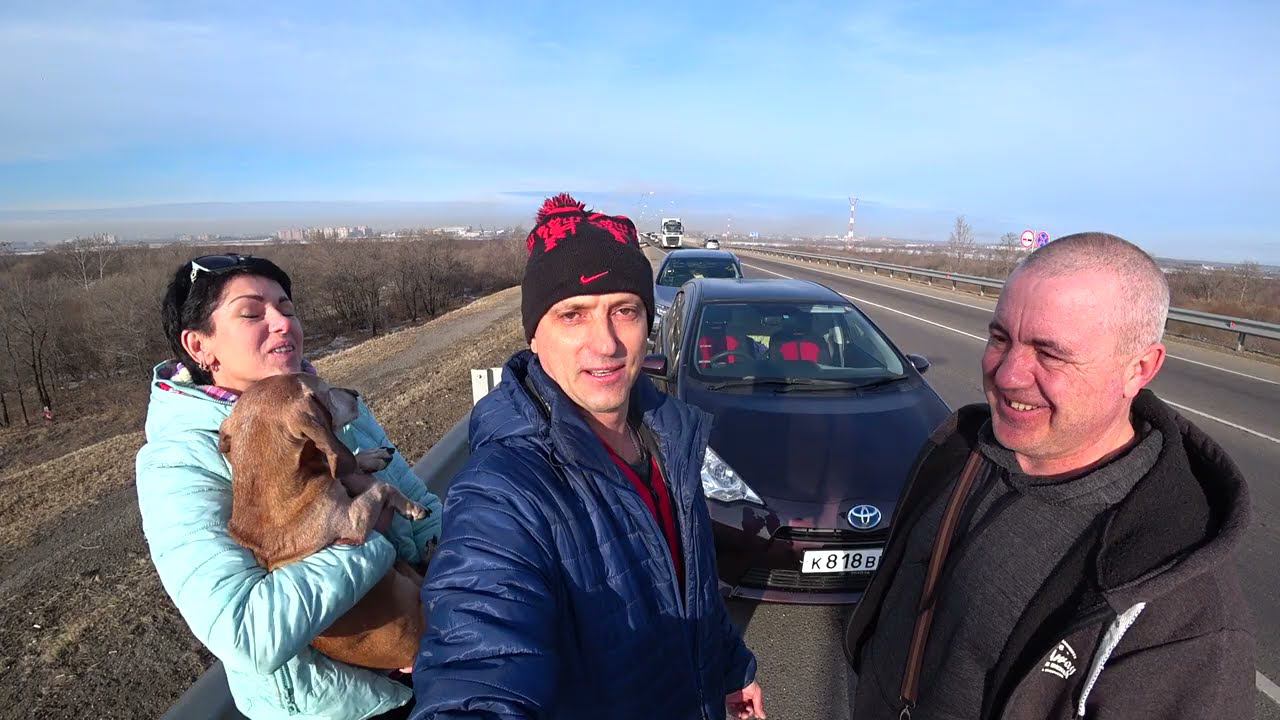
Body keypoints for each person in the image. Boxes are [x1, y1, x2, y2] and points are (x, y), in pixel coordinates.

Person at [844, 232, 1254, 719]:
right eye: (1000, 338)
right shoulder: (958, 450)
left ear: (1140, 368)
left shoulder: (1183, 607)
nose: (1008, 375)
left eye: (1050, 354)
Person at [411, 195, 763, 720]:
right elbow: (477, 669)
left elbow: (691, 588)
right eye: (573, 315)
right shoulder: (503, 493)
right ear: (534, 336)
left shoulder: (668, 438)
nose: (606, 344)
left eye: (624, 311)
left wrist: (731, 670)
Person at [135, 254, 443, 720]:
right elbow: (247, 632)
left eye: (287, 308)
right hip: (347, 707)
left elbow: (423, 516)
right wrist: (367, 535)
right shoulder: (180, 462)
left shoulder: (322, 402)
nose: (283, 323)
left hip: (438, 648)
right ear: (199, 345)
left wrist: (459, 593)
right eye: (251, 313)